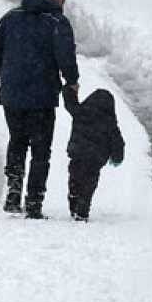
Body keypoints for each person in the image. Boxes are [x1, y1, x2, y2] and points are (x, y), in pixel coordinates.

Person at [0, 0, 79, 219]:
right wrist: (71, 81)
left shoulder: (11, 17)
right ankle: (34, 203)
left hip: (12, 94)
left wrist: (6, 72)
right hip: (42, 96)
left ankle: (13, 194)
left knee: (17, 141)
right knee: (40, 150)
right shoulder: (57, 22)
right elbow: (66, 57)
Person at [62, 85, 125, 222]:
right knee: (89, 184)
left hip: (77, 155)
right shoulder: (110, 122)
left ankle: (73, 201)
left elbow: (70, 104)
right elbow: (118, 142)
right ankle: (83, 208)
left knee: (74, 179)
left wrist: (69, 89)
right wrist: (117, 157)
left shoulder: (80, 112)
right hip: (95, 160)